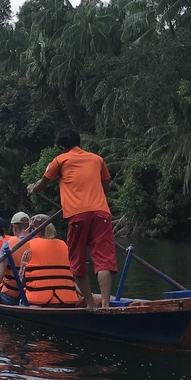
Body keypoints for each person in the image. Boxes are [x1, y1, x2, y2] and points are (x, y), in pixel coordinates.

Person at [27, 128, 117, 308]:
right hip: (102, 214)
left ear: (61, 147)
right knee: (103, 260)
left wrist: (32, 189)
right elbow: (105, 188)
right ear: (80, 143)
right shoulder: (97, 159)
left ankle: (91, 305)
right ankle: (106, 306)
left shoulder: (59, 160)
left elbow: (40, 186)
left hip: (78, 215)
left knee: (76, 261)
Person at [17, 213, 80, 306]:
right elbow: (73, 277)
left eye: (31, 230)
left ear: (35, 230)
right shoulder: (65, 247)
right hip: (67, 302)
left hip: (39, 303)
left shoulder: (29, 251)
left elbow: (21, 281)